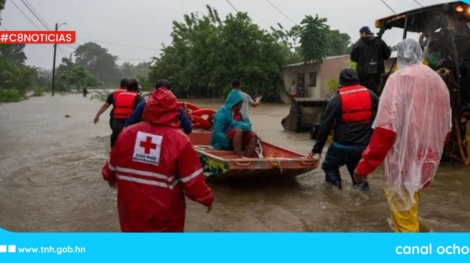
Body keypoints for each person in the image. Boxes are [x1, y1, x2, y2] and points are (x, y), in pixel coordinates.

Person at [353, 39, 452, 233]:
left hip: (404, 159)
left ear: (399, 56)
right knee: (411, 199)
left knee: (402, 208)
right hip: (429, 155)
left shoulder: (398, 80)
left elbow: (385, 130)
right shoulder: (437, 80)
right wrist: (432, 153)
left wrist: (364, 166)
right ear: (420, 54)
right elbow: (445, 126)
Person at [101, 88, 214, 232]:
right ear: (175, 110)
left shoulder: (126, 134)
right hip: (165, 218)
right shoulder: (180, 141)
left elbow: (109, 169)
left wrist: (110, 178)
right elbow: (193, 184)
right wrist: (207, 199)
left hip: (131, 213)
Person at [307, 68, 378, 190]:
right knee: (359, 173)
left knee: (329, 167)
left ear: (341, 81)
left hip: (341, 145)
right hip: (363, 146)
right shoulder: (371, 95)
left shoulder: (337, 98)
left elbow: (325, 125)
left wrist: (317, 149)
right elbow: (381, 121)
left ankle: (335, 191)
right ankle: (362, 191)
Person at [124, 79, 192, 135]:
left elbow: (129, 125)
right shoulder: (177, 108)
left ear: (155, 90)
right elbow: (188, 128)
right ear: (170, 91)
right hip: (168, 144)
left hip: (147, 142)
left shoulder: (144, 104)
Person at [211, 89, 257, 158]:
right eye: (241, 103)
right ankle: (238, 157)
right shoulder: (222, 115)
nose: (242, 105)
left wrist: (249, 130)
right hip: (223, 142)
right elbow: (216, 132)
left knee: (253, 136)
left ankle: (247, 159)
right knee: (239, 131)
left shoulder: (238, 114)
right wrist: (228, 143)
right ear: (237, 103)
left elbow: (245, 125)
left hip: (236, 140)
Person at [350, 26, 391, 94]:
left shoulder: (358, 43)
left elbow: (353, 57)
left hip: (362, 73)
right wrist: (379, 59)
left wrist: (362, 61)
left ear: (363, 33)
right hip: (377, 71)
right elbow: (387, 54)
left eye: (360, 34)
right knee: (375, 92)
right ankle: (375, 103)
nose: (360, 36)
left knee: (364, 92)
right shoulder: (379, 42)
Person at [110, 79, 145, 148]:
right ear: (136, 88)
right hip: (130, 127)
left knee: (114, 148)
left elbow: (113, 111)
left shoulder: (119, 96)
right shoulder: (139, 98)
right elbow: (142, 114)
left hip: (116, 125)